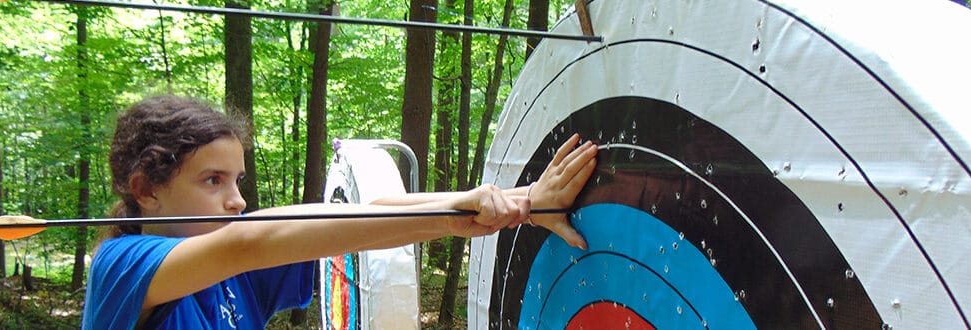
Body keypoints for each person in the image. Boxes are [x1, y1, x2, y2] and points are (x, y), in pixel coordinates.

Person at [81, 95, 598, 329]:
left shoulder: (233, 274)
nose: (237, 199)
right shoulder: (120, 266)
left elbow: (364, 213)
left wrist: (519, 203)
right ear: (146, 189)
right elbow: (251, 242)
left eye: (237, 180)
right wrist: (450, 217)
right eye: (212, 181)